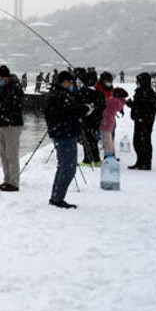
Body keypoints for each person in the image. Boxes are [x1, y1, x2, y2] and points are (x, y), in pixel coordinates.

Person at [44, 70, 90, 209]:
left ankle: (56, 196)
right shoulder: (59, 96)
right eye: (71, 82)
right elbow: (67, 114)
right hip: (65, 135)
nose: (72, 85)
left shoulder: (58, 94)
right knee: (68, 168)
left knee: (63, 167)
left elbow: (66, 111)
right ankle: (57, 199)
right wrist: (83, 109)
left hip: (62, 133)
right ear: (64, 82)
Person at [126, 72, 156, 170]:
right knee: (137, 142)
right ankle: (140, 161)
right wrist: (131, 105)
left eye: (138, 81)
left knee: (144, 142)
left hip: (145, 122)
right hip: (139, 120)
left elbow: (146, 108)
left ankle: (146, 163)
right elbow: (138, 105)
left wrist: (138, 112)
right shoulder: (141, 91)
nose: (136, 82)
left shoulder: (148, 93)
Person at [77, 71, 105, 166]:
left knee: (86, 139)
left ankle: (87, 160)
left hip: (85, 120)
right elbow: (103, 106)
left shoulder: (82, 92)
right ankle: (97, 160)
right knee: (93, 140)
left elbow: (77, 105)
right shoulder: (99, 93)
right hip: (97, 121)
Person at [100, 87, 128, 157]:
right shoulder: (119, 101)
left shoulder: (113, 100)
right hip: (110, 121)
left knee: (106, 139)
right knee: (109, 138)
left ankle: (109, 155)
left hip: (106, 121)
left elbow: (104, 104)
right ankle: (111, 154)